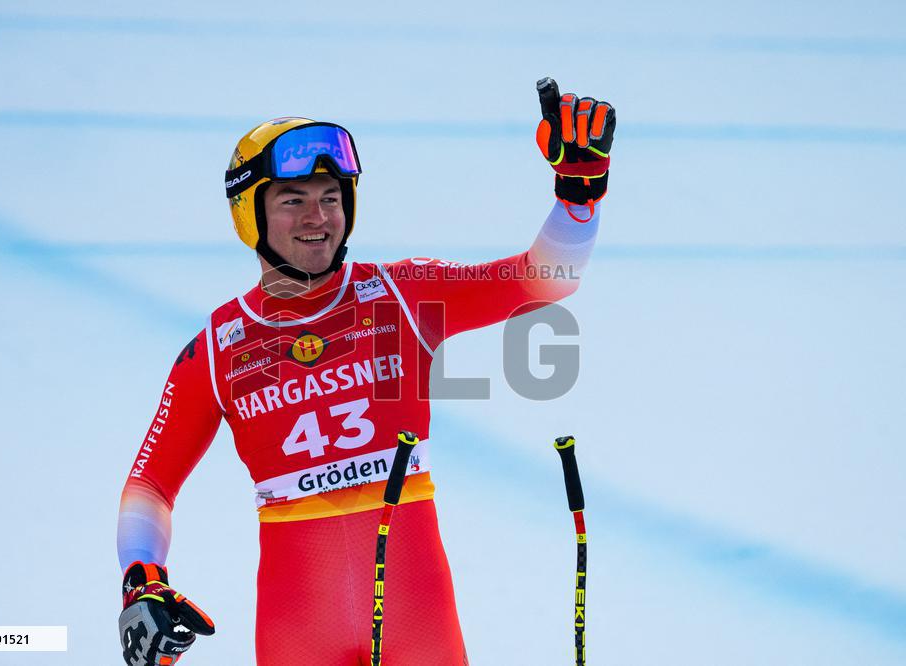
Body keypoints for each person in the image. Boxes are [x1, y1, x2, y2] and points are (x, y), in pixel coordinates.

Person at [117, 78, 616, 666]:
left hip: (417, 611)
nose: (318, 216)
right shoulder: (219, 348)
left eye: (331, 197)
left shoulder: (400, 294)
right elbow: (150, 484)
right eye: (293, 199)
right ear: (250, 216)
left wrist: (577, 197)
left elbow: (542, 280)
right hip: (298, 622)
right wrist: (141, 582)